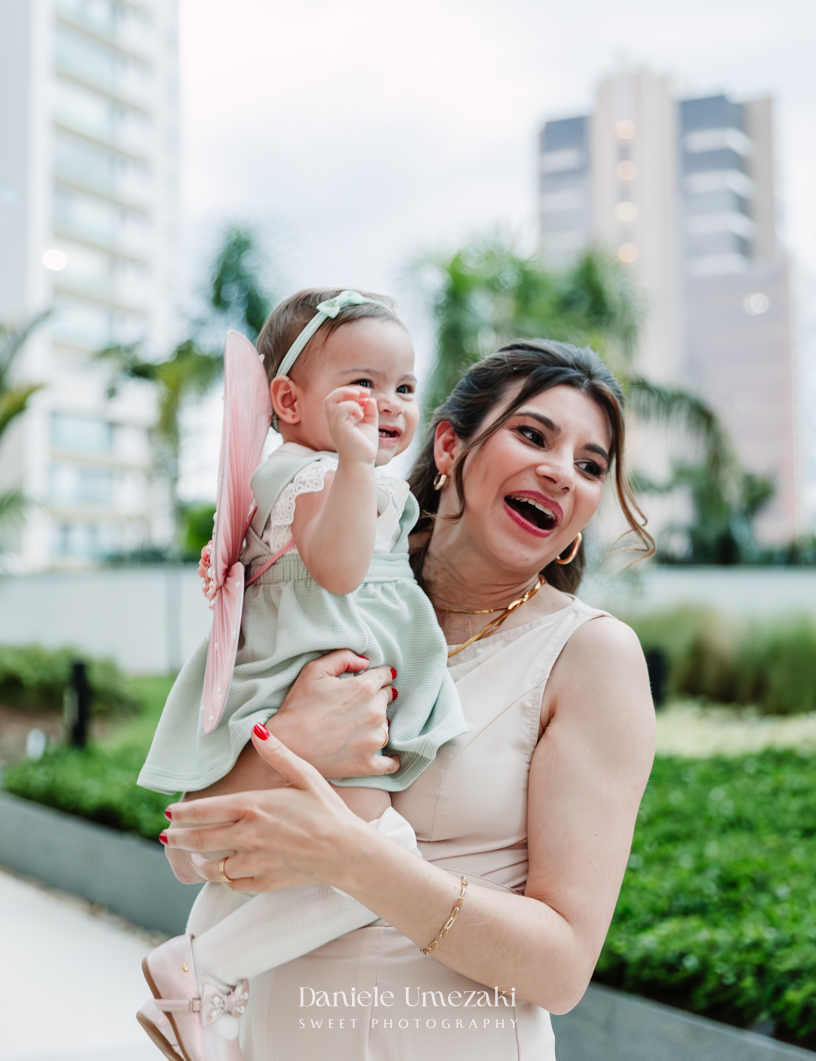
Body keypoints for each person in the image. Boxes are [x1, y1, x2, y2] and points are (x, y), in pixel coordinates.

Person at [159, 339, 657, 1061]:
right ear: (450, 447)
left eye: (590, 466)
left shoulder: (591, 657)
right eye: (533, 435)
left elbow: (561, 969)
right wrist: (290, 743)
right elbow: (185, 851)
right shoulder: (318, 589)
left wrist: (355, 860)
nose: (561, 473)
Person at [136, 289, 467, 1061]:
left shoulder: (313, 471)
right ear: (287, 399)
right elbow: (342, 569)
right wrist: (355, 464)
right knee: (377, 856)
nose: (386, 404)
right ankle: (204, 970)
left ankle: (206, 988)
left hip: (299, 685)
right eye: (363, 383)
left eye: (404, 387)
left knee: (275, 860)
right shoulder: (318, 475)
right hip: (316, 690)